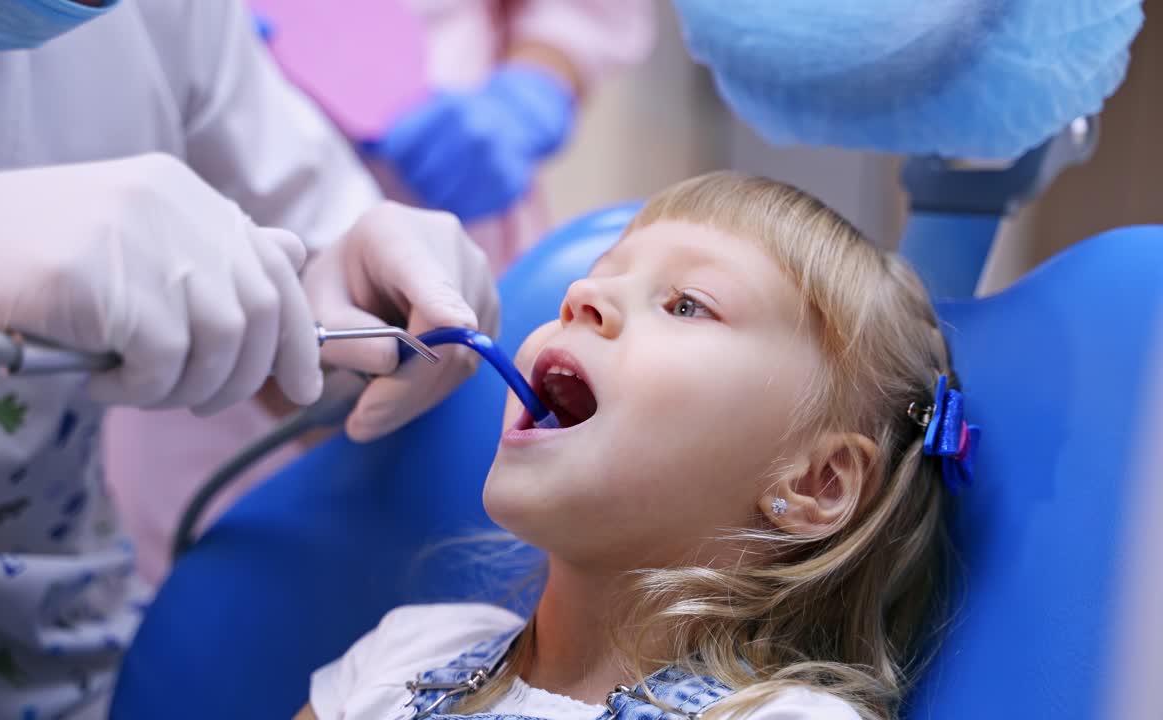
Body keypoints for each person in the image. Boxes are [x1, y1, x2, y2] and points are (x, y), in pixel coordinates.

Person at [0, 1, 497, 718]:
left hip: (88, 668)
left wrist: (358, 313)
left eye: (670, 304)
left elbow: (304, 289)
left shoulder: (146, 18)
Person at [298, 173, 972, 719]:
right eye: (599, 272)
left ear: (816, 483)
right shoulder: (404, 657)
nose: (583, 296)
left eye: (685, 304)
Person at [103, 0, 656, 587]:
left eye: (686, 305)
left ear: (772, 487)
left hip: (458, 191)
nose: (586, 304)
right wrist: (194, 53)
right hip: (202, 286)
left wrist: (532, 88)